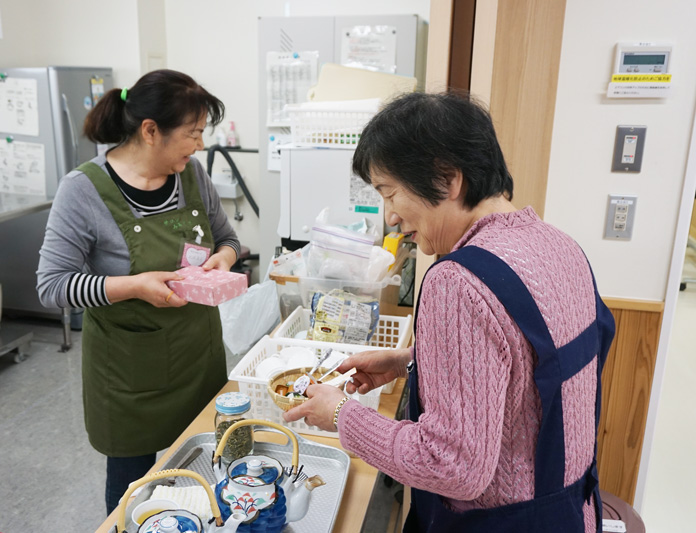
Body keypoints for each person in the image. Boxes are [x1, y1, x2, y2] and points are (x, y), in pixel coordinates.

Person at [284, 91, 614, 532]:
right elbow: (529, 365)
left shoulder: (457, 281)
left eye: (390, 193)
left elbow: (450, 464)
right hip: (571, 514)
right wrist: (413, 361)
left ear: (448, 179)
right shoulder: (558, 245)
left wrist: (343, 414)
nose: (391, 217)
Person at [36, 70, 240, 514]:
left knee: (203, 471)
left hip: (198, 357)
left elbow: (227, 239)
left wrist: (223, 259)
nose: (199, 144)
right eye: (192, 133)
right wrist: (134, 286)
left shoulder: (192, 176)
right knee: (133, 492)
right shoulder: (83, 190)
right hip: (130, 373)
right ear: (150, 131)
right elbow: (52, 286)